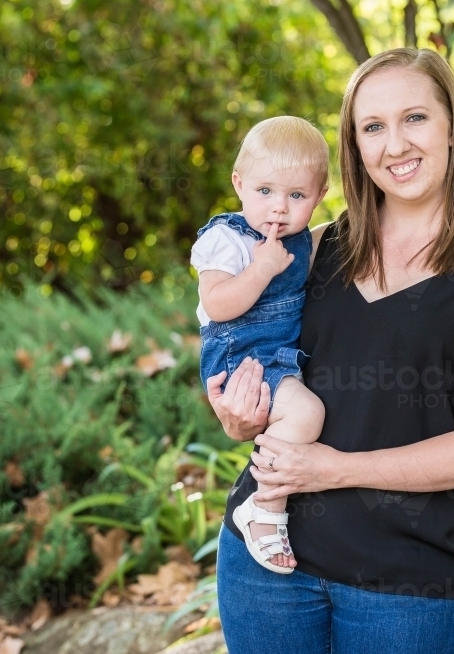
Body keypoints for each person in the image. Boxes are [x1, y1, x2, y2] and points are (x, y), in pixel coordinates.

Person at [206, 48, 454, 654]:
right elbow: (241, 347)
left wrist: (335, 470)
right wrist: (239, 413)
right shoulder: (309, 250)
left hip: (406, 589)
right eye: (373, 127)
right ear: (355, 146)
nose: (395, 145)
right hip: (267, 568)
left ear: (452, 128)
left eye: (414, 118)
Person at [191, 116, 328, 573]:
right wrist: (261, 269)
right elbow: (217, 302)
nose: (278, 209)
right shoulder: (226, 238)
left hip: (277, 352)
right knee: (307, 413)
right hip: (238, 351)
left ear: (320, 196)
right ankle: (264, 505)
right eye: (265, 191)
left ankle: (266, 501)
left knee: (303, 409)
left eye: (297, 196)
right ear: (239, 183)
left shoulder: (305, 242)